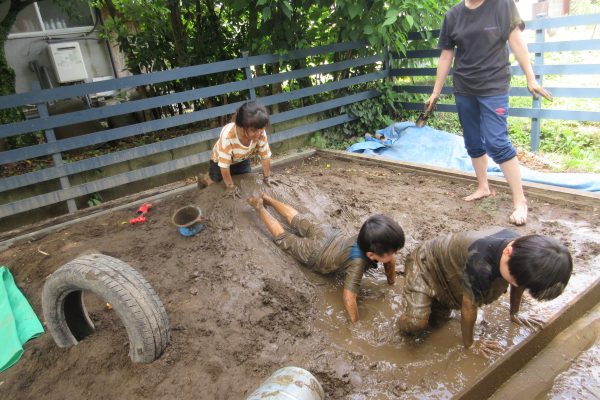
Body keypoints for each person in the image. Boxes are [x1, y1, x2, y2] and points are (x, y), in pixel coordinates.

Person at [424, 0, 553, 225]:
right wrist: (435, 92)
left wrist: (530, 77)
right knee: (473, 140)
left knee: (497, 142)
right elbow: (446, 56)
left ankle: (520, 200)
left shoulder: (502, 5)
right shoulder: (453, 15)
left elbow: (516, 41)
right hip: (465, 87)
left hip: (493, 86)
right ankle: (483, 186)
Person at [398, 228, 572, 356]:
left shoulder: (523, 252)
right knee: (417, 324)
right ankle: (401, 320)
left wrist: (515, 313)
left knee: (438, 321)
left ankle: (432, 302)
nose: (517, 285)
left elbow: (520, 282)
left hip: (451, 267)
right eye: (514, 280)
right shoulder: (481, 264)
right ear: (508, 251)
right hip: (425, 263)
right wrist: (470, 344)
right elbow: (469, 306)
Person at [247, 194, 405, 322]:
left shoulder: (369, 236)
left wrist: (392, 284)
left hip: (328, 233)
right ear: (370, 255)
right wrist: (355, 324)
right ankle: (259, 207)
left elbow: (389, 261)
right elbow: (349, 298)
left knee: (297, 218)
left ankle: (268, 198)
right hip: (316, 254)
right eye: (393, 252)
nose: (394, 256)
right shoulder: (358, 263)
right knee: (284, 238)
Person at [199, 101, 272, 195]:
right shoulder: (228, 136)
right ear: (241, 127)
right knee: (215, 183)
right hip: (219, 162)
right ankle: (204, 179)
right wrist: (230, 187)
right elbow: (224, 166)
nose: (258, 133)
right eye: (253, 130)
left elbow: (265, 156)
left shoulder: (260, 132)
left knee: (244, 178)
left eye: (261, 128)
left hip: (242, 158)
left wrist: (267, 177)